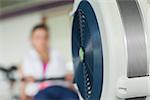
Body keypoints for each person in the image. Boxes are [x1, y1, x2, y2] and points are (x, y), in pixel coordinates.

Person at [20, 24, 79, 100]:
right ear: (31, 40)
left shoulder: (57, 54)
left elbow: (67, 77)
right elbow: (23, 83)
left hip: (60, 88)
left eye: (45, 37)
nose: (42, 41)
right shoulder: (27, 59)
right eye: (38, 38)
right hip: (40, 92)